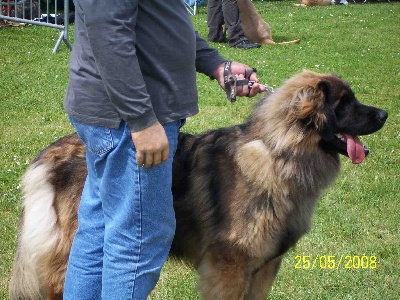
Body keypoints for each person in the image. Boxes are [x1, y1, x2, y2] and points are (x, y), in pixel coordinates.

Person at [62, 0, 265, 299]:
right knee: (137, 239)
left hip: (125, 117)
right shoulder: (136, 119)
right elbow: (107, 32)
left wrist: (215, 64)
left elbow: (163, 17)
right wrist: (141, 120)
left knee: (100, 230)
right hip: (128, 120)